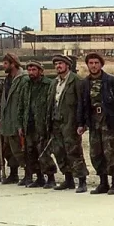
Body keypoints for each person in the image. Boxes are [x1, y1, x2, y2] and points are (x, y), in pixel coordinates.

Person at [77, 53, 114, 195]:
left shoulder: (112, 81)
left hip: (109, 122)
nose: (93, 66)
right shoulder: (84, 83)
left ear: (101, 64)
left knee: (111, 152)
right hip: (94, 122)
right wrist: (81, 123)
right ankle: (103, 183)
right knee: (96, 154)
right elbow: (81, 105)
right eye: (91, 63)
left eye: (96, 63)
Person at [47, 55, 89, 192]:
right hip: (56, 122)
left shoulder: (76, 81)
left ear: (67, 65)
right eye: (56, 64)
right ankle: (68, 179)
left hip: (70, 122)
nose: (58, 66)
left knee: (74, 151)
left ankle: (82, 180)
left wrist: (81, 123)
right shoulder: (54, 83)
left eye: (61, 63)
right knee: (59, 151)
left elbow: (82, 103)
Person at [21, 61, 56, 188]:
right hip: (29, 125)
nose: (31, 72)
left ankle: (51, 177)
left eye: (33, 70)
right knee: (31, 152)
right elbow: (22, 105)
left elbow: (52, 105)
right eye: (29, 70)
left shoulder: (48, 85)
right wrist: (21, 124)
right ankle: (39, 177)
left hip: (42, 124)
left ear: (40, 71)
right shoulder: (26, 85)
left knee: (44, 152)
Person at [0, 53, 29, 185]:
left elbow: (24, 101)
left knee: (20, 150)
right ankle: (13, 173)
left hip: (17, 120)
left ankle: (28, 173)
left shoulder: (23, 79)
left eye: (6, 63)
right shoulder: (7, 80)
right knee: (9, 150)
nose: (3, 66)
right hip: (7, 120)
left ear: (13, 64)